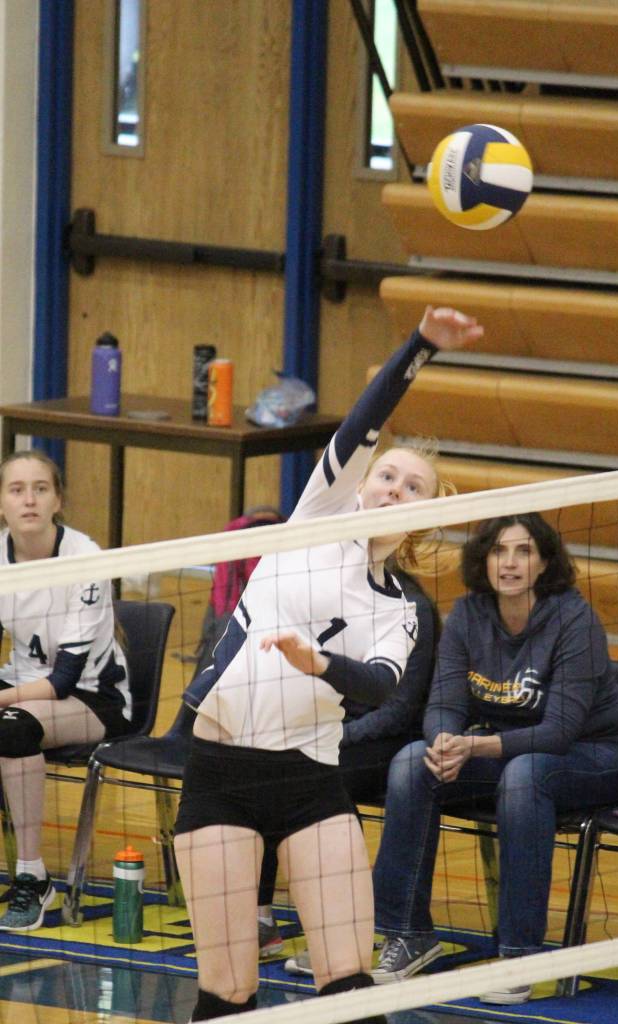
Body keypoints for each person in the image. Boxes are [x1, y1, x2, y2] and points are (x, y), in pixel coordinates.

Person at [175, 305, 484, 1022]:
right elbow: (364, 422)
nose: (394, 491)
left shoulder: (401, 608)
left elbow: (379, 686)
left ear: (420, 519)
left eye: (413, 490)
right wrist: (421, 346)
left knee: (348, 990)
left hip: (312, 779)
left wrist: (319, 665)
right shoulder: (316, 515)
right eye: (387, 477)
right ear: (360, 483)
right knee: (229, 994)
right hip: (221, 772)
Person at [371, 512, 618, 1004]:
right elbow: (444, 703)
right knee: (413, 763)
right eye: (499, 551)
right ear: (484, 559)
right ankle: (408, 934)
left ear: (544, 564)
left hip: (599, 755)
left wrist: (474, 745)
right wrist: (443, 743)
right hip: (509, 751)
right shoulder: (469, 615)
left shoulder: (574, 619)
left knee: (525, 776)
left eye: (523, 552)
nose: (510, 563)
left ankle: (519, 956)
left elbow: (559, 731)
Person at [252, 568, 439, 968]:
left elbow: (397, 711)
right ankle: (260, 918)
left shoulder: (412, 608)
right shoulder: (328, 595)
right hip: (335, 731)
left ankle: (343, 928)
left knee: (317, 776)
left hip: (387, 740)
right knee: (268, 759)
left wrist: (332, 737)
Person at [0, 450, 130, 931]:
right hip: (21, 684)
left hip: (95, 699)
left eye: (40, 489)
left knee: (11, 731)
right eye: (16, 490)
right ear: (1, 503)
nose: (29, 499)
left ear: (57, 499)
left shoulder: (85, 559)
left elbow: (62, 681)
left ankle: (33, 879)